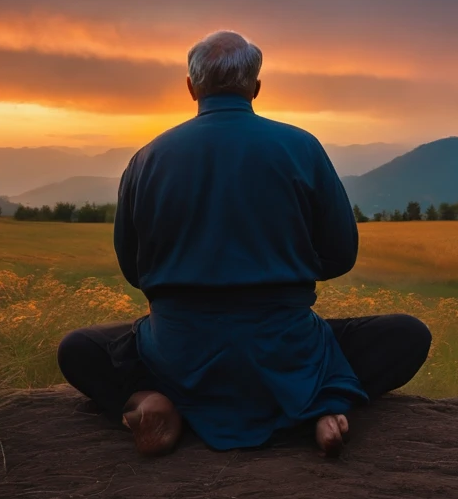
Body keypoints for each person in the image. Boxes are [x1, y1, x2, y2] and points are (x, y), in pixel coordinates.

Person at [57, 30, 431, 457]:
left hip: (178, 355)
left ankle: (148, 399)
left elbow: (133, 270)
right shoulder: (302, 148)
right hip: (288, 352)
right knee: (407, 335)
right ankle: (320, 403)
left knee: (79, 350)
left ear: (191, 87)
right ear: (255, 87)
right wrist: (281, 269)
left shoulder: (146, 159)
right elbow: (340, 256)